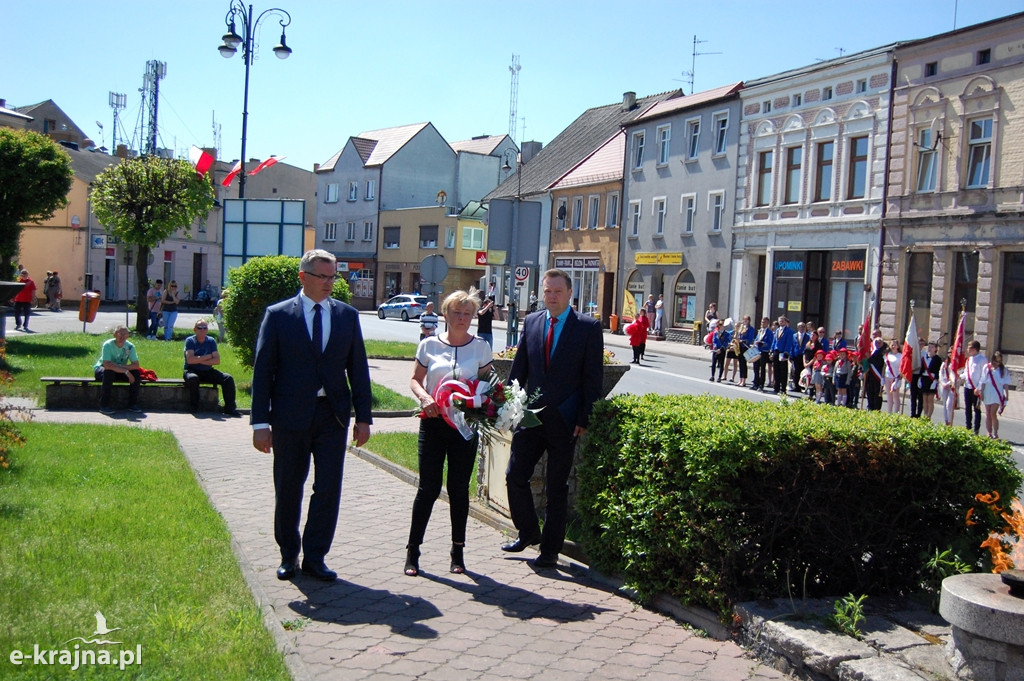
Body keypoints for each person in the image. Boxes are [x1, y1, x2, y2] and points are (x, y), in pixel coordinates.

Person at [250, 249, 373, 582]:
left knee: (328, 487)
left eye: (333, 276)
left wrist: (364, 418)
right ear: (303, 277)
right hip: (289, 416)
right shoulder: (277, 316)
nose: (330, 283)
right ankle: (289, 554)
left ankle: (315, 556)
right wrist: (260, 423)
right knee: (289, 486)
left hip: (331, 416)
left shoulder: (347, 316)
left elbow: (358, 369)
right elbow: (264, 372)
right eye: (323, 276)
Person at [502, 268, 603, 568]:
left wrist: (584, 417)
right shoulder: (532, 322)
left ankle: (550, 550)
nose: (552, 296)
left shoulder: (587, 327)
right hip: (530, 418)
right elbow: (519, 369)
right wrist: (508, 406)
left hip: (565, 420)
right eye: (547, 291)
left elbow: (592, 379)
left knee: (556, 487)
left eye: (558, 291)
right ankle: (528, 532)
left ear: (570, 293)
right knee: (514, 475)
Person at [404, 289, 492, 577]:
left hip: (464, 427)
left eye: (467, 314)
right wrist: (425, 399)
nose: (462, 318)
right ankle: (413, 551)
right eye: (457, 312)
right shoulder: (429, 345)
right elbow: (416, 380)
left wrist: (487, 403)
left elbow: (487, 384)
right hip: (433, 423)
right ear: (445, 314)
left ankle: (457, 551)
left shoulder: (480, 347)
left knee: (458, 490)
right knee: (428, 488)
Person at [183, 319, 239, 416]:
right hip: (191, 370)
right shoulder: (190, 341)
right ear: (194, 329)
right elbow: (190, 360)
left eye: (205, 328)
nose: (202, 330)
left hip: (207, 371)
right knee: (193, 378)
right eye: (199, 328)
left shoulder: (211, 341)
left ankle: (230, 409)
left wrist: (199, 359)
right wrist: (208, 357)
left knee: (228, 378)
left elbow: (217, 361)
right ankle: (194, 407)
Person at [94, 325, 142, 414]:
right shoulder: (108, 345)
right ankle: (104, 406)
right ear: (115, 334)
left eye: (125, 334)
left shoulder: (130, 346)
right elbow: (107, 365)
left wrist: (118, 366)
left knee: (136, 374)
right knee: (108, 373)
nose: (123, 337)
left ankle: (132, 404)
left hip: (118, 370)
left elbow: (136, 365)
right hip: (103, 370)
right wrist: (126, 371)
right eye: (120, 334)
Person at [978, 351, 1011, 439]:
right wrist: (981, 392)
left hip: (997, 393)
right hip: (987, 391)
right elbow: (983, 380)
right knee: (988, 413)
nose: (997, 363)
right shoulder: (987, 367)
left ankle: (995, 432)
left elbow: (1006, 384)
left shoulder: (1003, 370)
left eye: (999, 362)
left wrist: (1007, 395)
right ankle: (989, 432)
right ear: (992, 360)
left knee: (993, 413)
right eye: (996, 361)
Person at [961, 341, 986, 434]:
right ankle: (968, 427)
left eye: (969, 347)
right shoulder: (969, 359)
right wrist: (959, 377)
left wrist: (979, 388)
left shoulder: (982, 360)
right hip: (967, 386)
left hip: (976, 389)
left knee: (977, 409)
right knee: (967, 408)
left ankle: (976, 429)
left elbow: (984, 376)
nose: (968, 349)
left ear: (975, 349)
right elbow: (966, 373)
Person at [771, 316, 796, 394]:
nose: (781, 322)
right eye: (780, 321)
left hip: (783, 352)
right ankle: (776, 388)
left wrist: (786, 352)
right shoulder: (777, 330)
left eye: (782, 321)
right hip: (776, 351)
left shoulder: (788, 331)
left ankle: (783, 389)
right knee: (776, 370)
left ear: (785, 322)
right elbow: (774, 341)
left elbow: (789, 342)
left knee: (783, 371)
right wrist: (771, 350)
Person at [920, 341, 941, 420]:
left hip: (932, 380)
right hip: (924, 379)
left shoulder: (937, 359)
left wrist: (935, 380)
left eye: (932, 347)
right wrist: (920, 378)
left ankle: (929, 416)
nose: (930, 348)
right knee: (924, 398)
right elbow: (921, 369)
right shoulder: (924, 357)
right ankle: (925, 415)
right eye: (929, 347)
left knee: (930, 399)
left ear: (935, 349)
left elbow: (938, 370)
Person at [938, 345, 958, 426]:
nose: (950, 354)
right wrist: (943, 383)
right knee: (944, 405)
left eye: (952, 352)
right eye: (949, 352)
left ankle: (950, 422)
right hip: (944, 386)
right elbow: (941, 374)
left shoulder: (955, 365)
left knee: (949, 405)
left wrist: (949, 383)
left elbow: (956, 376)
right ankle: (946, 421)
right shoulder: (945, 363)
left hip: (952, 386)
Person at [864, 338, 886, 411]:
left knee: (877, 394)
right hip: (870, 375)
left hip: (878, 375)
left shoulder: (884, 351)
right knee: (869, 392)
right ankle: (870, 406)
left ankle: (877, 409)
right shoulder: (871, 350)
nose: (877, 344)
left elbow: (878, 363)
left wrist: (869, 358)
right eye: (876, 342)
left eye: (879, 342)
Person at [751, 316, 771, 391]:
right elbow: (756, 339)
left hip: (763, 352)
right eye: (762, 322)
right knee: (755, 367)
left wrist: (763, 344)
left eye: (764, 322)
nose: (762, 323)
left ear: (768, 323)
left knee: (762, 368)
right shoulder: (760, 331)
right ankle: (755, 383)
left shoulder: (769, 332)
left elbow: (770, 343)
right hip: (757, 351)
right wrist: (755, 343)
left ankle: (761, 384)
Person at [734, 315, 755, 387]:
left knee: (743, 364)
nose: (744, 321)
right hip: (739, 346)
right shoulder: (741, 328)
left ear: (749, 321)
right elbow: (738, 336)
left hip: (745, 347)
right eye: (743, 320)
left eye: (746, 320)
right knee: (740, 363)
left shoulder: (750, 329)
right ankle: (740, 378)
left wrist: (743, 341)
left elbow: (750, 338)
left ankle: (744, 380)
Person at [884, 340, 903, 414]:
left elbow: (902, 369)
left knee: (895, 396)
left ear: (898, 346)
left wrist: (899, 379)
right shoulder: (887, 355)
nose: (893, 346)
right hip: (887, 376)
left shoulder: (900, 356)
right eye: (892, 345)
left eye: (895, 345)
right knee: (889, 395)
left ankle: (896, 412)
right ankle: (889, 411)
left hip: (896, 378)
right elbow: (884, 367)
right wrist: (883, 378)